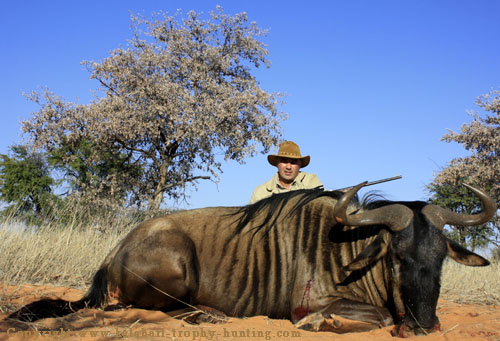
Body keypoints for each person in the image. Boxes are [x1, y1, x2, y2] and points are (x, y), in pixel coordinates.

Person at [250, 141, 323, 204]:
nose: (288, 167)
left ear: (300, 165)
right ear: (277, 163)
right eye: (284, 161)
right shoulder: (261, 192)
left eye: (293, 162)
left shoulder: (311, 181)